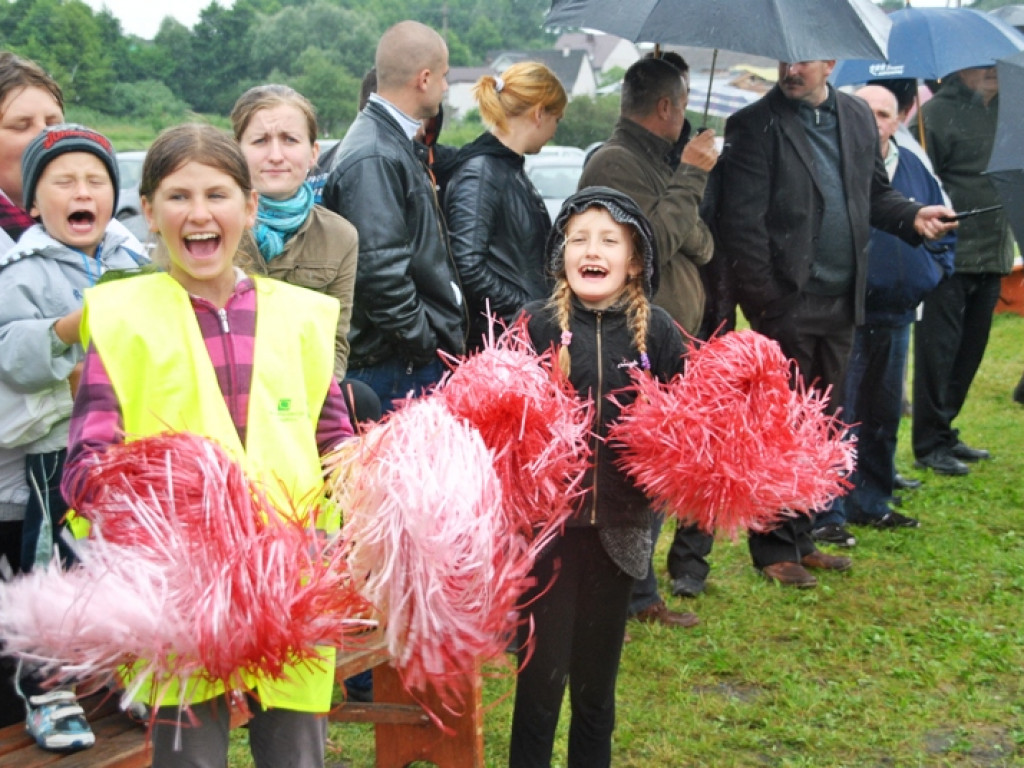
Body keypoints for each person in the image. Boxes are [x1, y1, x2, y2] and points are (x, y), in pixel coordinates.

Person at [60, 123, 353, 768]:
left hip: (291, 580)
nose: (198, 213)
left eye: (218, 195)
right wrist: (138, 506)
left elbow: (336, 444)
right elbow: (85, 463)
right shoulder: (124, 317)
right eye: (177, 197)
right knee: (190, 757)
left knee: (296, 755)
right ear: (148, 213)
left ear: (249, 207)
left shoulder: (301, 317)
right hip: (180, 595)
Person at [715, 59, 956, 586]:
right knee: (780, 427)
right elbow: (743, 225)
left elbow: (873, 195)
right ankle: (774, 546)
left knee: (823, 425)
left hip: (843, 302)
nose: (791, 68)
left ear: (829, 63)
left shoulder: (853, 115)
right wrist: (771, 305)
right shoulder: (754, 124)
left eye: (804, 58)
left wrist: (913, 216)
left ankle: (804, 536)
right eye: (785, 58)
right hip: (787, 305)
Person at [510, 186, 685, 768]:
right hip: (549, 534)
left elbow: (686, 423)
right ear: (561, 255)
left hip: (622, 529)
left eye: (609, 240)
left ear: (634, 261)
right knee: (540, 687)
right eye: (578, 238)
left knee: (595, 691)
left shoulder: (657, 331)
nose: (592, 249)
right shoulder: (535, 326)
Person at [0, 123, 147, 750]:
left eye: (96, 181)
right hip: (55, 449)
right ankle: (49, 688)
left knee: (125, 558)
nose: (81, 191)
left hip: (125, 443)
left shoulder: (133, 257)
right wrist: (66, 328)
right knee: (53, 566)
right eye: (64, 182)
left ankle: (128, 669)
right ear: (34, 202)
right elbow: (10, 354)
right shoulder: (20, 271)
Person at [579, 55, 716, 626]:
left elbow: (702, 243)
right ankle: (629, 592)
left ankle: (635, 588)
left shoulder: (655, 161)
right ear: (665, 107)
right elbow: (651, 244)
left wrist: (679, 193)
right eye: (681, 106)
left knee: (657, 465)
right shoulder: (615, 162)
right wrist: (691, 175)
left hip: (667, 338)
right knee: (633, 470)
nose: (684, 117)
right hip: (632, 340)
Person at [321, 20, 466, 412]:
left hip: (399, 361)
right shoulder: (375, 154)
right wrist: (423, 345)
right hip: (392, 368)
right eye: (444, 76)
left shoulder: (386, 142)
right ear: (424, 78)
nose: (446, 86)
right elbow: (380, 272)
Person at [841, 85, 955, 530]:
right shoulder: (839, 164)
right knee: (841, 411)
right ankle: (830, 507)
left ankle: (872, 502)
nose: (874, 122)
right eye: (864, 112)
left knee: (883, 412)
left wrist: (932, 271)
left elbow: (943, 223)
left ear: (900, 120)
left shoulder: (912, 165)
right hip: (847, 311)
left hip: (897, 311)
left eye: (884, 114)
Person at [0, 50, 65, 731]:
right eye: (22, 123)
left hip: (59, 489)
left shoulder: (97, 239)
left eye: (54, 118)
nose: (44, 134)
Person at [910, 66, 1013, 476]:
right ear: (961, 69)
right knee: (938, 353)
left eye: (997, 64)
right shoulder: (935, 115)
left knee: (971, 350)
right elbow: (918, 184)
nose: (992, 72)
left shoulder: (1011, 111)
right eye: (983, 65)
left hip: (995, 252)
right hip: (948, 256)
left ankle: (945, 428)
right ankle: (928, 441)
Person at [230, 83, 358, 379]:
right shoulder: (215, 227)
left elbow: (335, 345)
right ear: (236, 151)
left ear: (313, 153)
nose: (276, 155)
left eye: (290, 140)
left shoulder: (340, 237)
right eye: (260, 141)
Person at [444, 61, 566, 348]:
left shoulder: (506, 168)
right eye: (556, 119)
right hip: (495, 347)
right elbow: (468, 266)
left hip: (517, 336)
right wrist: (528, 308)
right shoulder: (482, 172)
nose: (554, 132)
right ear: (539, 113)